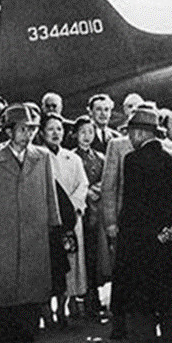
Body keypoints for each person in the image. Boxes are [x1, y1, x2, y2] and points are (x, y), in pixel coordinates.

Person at [114, 106, 172, 343]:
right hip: (169, 238)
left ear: (139, 134)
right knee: (170, 288)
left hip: (141, 240)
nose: (129, 138)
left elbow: (135, 205)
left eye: (130, 132)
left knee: (140, 291)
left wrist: (131, 236)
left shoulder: (133, 160)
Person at [0, 104, 61, 343]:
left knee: (32, 280)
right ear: (10, 131)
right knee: (3, 279)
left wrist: (54, 221)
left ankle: (28, 328)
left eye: (32, 129)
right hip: (4, 230)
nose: (29, 134)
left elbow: (50, 191)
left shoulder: (42, 156)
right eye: (23, 129)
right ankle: (3, 330)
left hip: (36, 229)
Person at [102, 102, 155, 338]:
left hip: (147, 224)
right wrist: (111, 222)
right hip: (124, 221)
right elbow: (108, 187)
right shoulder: (117, 146)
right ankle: (119, 323)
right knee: (121, 273)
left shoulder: (158, 149)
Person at [42, 114, 89, 323]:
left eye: (59, 129)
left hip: (71, 218)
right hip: (49, 219)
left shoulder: (73, 158)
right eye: (51, 129)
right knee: (51, 263)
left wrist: (74, 207)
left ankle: (65, 304)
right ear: (42, 132)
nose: (55, 133)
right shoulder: (39, 157)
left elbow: (83, 184)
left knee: (71, 261)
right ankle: (47, 309)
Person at [73, 115, 107, 318]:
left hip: (96, 213)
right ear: (75, 134)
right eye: (83, 132)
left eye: (90, 132)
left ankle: (94, 298)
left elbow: (107, 179)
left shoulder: (100, 158)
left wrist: (97, 188)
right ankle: (78, 300)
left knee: (94, 257)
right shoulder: (71, 157)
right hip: (79, 212)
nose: (87, 137)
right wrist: (85, 191)